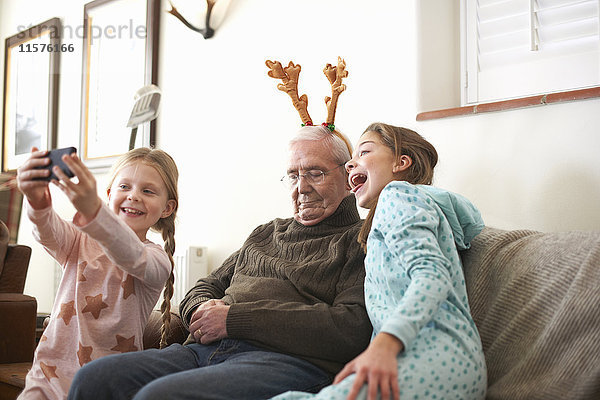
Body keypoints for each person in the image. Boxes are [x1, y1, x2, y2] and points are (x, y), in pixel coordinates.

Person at [67, 125, 372, 400]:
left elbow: (351, 327)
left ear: (347, 177)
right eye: (293, 176)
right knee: (95, 379)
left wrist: (234, 319)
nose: (301, 187)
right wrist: (201, 311)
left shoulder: (360, 239)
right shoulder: (266, 233)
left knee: (160, 396)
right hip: (203, 351)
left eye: (315, 173)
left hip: (286, 362)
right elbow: (204, 287)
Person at [272, 122, 487, 400]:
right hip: (446, 365)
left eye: (364, 152)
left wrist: (383, 347)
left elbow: (433, 276)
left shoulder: (398, 195)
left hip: (432, 359)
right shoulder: (397, 213)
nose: (351, 164)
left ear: (401, 162)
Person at [16, 147, 179, 400]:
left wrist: (95, 213)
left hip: (108, 384)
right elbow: (48, 230)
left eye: (147, 191)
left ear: (167, 208)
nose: (133, 196)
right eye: (124, 187)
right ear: (109, 194)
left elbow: (133, 256)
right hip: (47, 377)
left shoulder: (158, 260)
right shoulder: (78, 239)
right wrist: (37, 200)